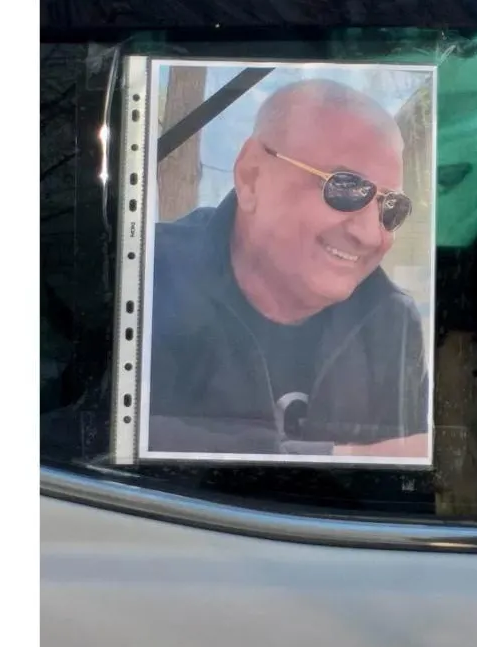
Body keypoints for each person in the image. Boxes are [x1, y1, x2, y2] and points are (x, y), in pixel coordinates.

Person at [147, 78, 430, 458]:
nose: (369, 234)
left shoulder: (390, 323)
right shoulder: (146, 276)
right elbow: (104, 438)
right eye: (345, 188)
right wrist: (343, 457)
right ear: (252, 177)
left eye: (391, 208)